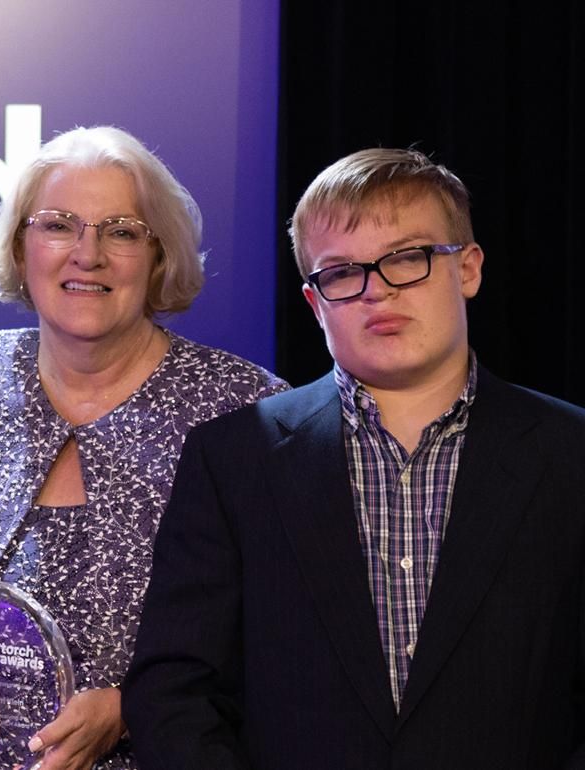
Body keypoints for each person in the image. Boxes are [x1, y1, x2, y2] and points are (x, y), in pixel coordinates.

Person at [123, 148, 585, 768]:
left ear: (468, 268)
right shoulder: (235, 459)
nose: (378, 291)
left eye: (407, 258)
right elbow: (176, 691)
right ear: (315, 303)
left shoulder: (569, 454)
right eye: (342, 273)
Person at [0, 126, 285, 770]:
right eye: (58, 225)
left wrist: (130, 707)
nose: (87, 254)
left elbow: (292, 636)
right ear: (20, 245)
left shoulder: (245, 411)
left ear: (159, 256)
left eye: (120, 231)